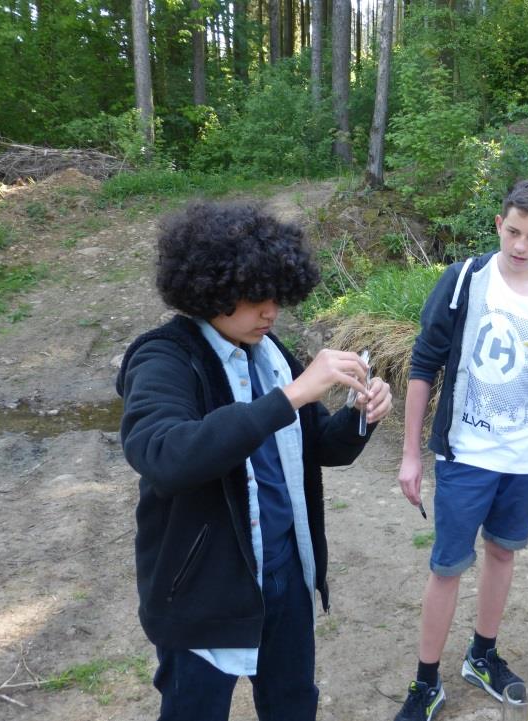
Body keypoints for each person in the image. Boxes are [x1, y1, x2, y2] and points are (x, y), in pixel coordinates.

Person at [115, 200, 393, 721]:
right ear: (211, 288)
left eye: (277, 296)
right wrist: (290, 397)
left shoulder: (269, 352)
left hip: (284, 571)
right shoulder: (164, 358)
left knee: (291, 705)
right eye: (255, 297)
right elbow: (162, 454)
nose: (271, 312)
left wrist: (361, 414)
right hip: (202, 592)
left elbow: (318, 449)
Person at [393, 180, 528, 720]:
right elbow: (422, 366)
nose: (519, 246)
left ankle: (482, 654)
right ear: (498, 225)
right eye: (512, 231)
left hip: (526, 460)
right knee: (448, 565)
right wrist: (412, 454)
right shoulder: (463, 281)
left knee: (503, 553)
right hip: (466, 454)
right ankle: (424, 681)